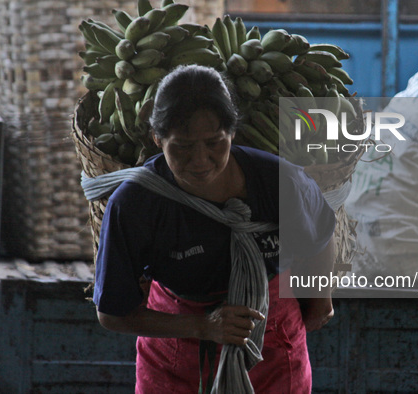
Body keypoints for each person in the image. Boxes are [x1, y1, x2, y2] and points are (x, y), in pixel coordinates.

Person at [92, 64, 337, 393]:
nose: (200, 159)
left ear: (232, 133)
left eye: (214, 143)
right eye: (182, 146)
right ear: (157, 138)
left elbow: (320, 236)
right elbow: (112, 314)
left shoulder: (281, 181)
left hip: (273, 344)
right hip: (178, 349)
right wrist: (203, 326)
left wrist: (320, 302)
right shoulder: (136, 205)